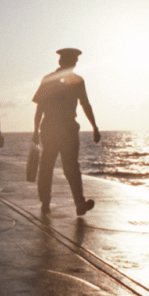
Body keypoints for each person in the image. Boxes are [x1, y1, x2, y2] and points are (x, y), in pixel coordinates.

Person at [33, 47, 100, 216]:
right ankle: (47, 201)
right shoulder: (50, 80)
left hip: (65, 129)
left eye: (75, 62)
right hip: (54, 129)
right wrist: (35, 130)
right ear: (62, 62)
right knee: (51, 166)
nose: (75, 64)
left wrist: (95, 126)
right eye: (72, 61)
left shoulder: (76, 80)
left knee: (66, 167)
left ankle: (78, 203)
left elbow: (85, 104)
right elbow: (40, 107)